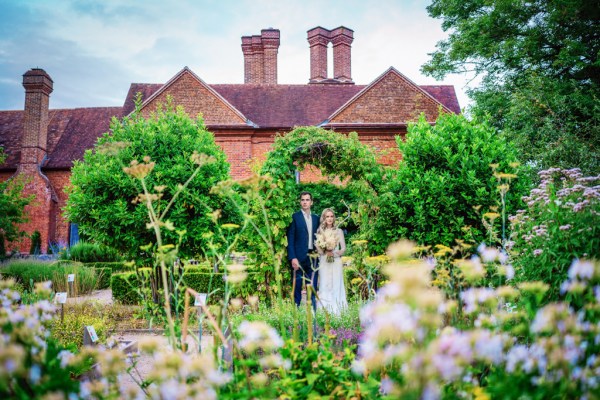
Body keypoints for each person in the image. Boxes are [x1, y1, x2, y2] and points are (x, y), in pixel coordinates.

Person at [287, 191, 320, 308]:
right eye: (303, 200)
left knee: (312, 285)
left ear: (311, 202)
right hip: (298, 258)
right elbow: (290, 239)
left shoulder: (316, 218)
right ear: (300, 202)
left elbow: (320, 237)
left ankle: (313, 313)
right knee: (297, 286)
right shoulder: (294, 217)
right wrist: (292, 257)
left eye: (307, 200)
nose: (305, 202)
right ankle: (295, 312)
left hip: (313, 258)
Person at [315, 208, 347, 315]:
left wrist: (334, 253)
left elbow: (343, 249)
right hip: (324, 261)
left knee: (336, 284)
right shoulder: (320, 231)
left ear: (334, 218)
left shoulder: (339, 231)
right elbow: (319, 251)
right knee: (325, 285)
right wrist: (323, 249)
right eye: (327, 216)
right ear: (324, 218)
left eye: (331, 216)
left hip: (336, 261)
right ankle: (324, 312)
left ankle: (338, 312)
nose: (329, 218)